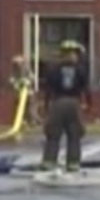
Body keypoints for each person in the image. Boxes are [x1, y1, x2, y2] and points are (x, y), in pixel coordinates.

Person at [40, 39, 91, 171]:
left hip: (58, 102)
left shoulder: (53, 69)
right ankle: (73, 163)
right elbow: (86, 88)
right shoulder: (81, 69)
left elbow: (48, 89)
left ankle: (49, 161)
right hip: (73, 102)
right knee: (74, 134)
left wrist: (47, 106)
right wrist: (88, 104)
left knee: (53, 133)